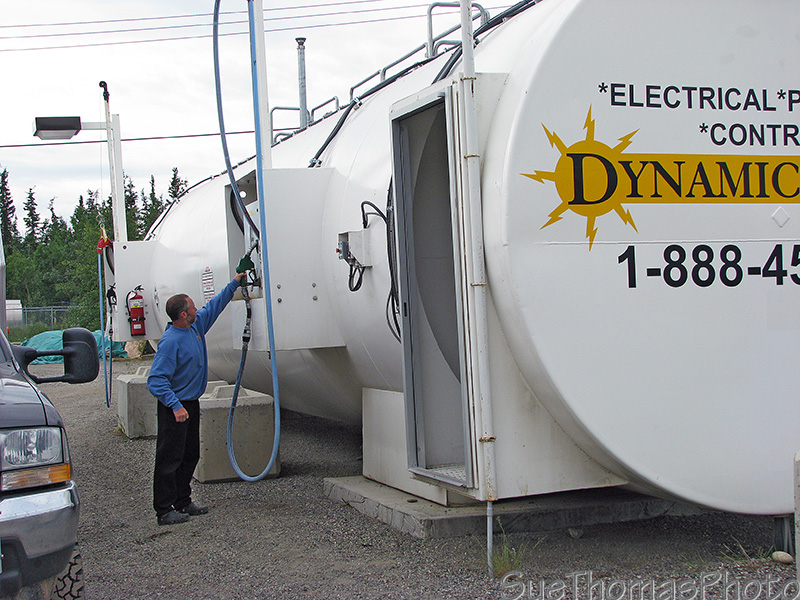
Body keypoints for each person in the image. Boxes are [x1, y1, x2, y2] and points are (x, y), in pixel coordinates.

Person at [148, 272, 246, 526]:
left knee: (190, 454)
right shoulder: (171, 342)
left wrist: (234, 283)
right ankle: (164, 510)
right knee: (170, 459)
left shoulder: (195, 327)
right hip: (175, 406)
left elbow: (214, 307)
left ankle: (182, 501)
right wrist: (175, 405)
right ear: (183, 314)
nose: (196, 309)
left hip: (190, 403)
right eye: (192, 307)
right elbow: (156, 380)